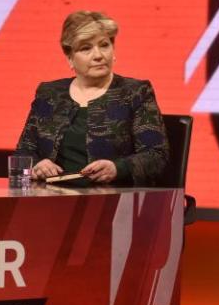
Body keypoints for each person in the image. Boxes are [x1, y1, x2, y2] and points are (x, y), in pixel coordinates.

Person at [16, 11, 168, 185]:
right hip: (53, 198)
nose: (98, 55)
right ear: (70, 58)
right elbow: (23, 152)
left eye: (104, 45)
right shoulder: (50, 93)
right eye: (86, 48)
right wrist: (36, 165)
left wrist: (117, 168)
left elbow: (156, 156)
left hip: (113, 200)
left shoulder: (135, 92)